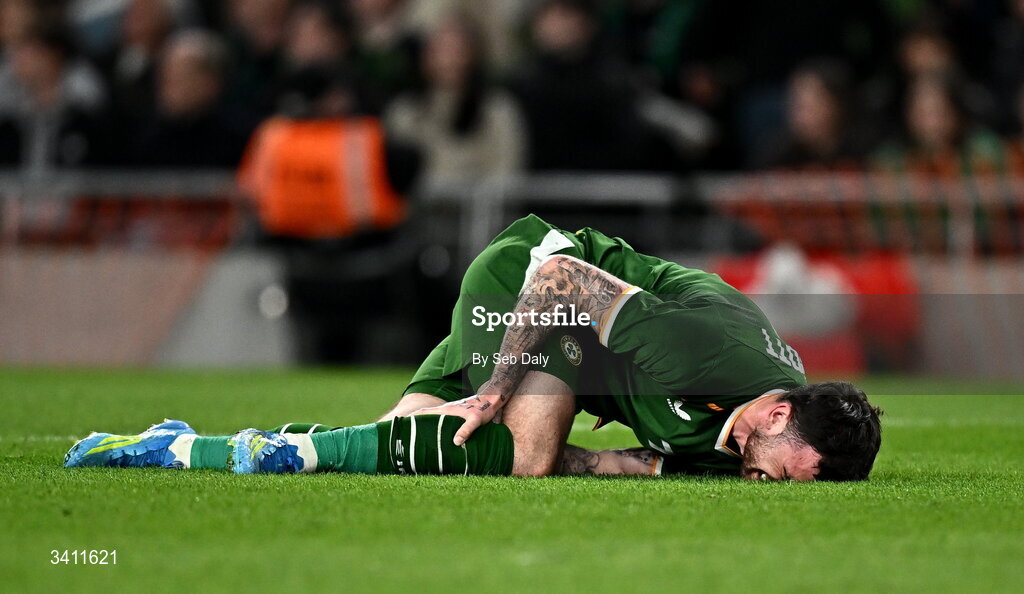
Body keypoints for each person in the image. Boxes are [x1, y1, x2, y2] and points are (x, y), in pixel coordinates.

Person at [65, 215, 883, 482]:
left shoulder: (754, 434)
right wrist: (502, 388)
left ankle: (179, 442)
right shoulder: (699, 355)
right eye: (769, 467)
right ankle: (225, 450)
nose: (754, 479)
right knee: (517, 451)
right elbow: (564, 281)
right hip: (543, 285)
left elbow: (637, 461)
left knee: (412, 436)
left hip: (592, 337)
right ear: (777, 410)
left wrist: (595, 463)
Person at [384, 15, 525, 183]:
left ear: (474, 56)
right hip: (422, 207)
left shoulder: (498, 109)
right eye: (440, 50)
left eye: (457, 51)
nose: (448, 60)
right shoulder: (405, 111)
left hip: (481, 206)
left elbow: (507, 169)